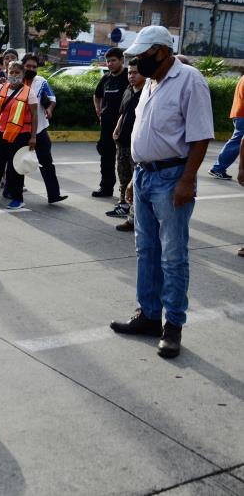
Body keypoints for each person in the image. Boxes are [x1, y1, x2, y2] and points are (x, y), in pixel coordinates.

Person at [109, 26, 214, 359]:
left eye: (143, 54)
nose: (138, 60)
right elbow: (145, 131)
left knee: (172, 256)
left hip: (172, 178)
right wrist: (133, 176)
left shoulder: (190, 80)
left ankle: (173, 327)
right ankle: (149, 316)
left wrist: (187, 180)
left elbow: (200, 137)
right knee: (146, 250)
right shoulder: (152, 82)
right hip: (144, 177)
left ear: (161, 51)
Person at [0, 61, 38, 210]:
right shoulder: (1, 87)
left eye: (17, 73)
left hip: (20, 135)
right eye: (11, 72)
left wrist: (33, 137)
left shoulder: (29, 92)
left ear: (22, 75)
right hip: (1, 133)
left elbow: (35, 116)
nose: (14, 75)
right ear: (7, 73)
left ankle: (17, 198)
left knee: (16, 167)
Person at [21, 53, 67, 204]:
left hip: (39, 129)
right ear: (22, 66)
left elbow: (52, 99)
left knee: (47, 163)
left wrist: (50, 109)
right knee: (17, 163)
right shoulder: (15, 81)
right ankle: (13, 193)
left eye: (34, 67)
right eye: (28, 66)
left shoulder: (41, 82)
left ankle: (54, 195)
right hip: (19, 130)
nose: (31, 69)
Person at [108, 58, 146, 231]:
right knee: (123, 178)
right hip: (122, 143)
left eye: (135, 72)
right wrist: (117, 129)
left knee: (136, 181)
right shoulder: (128, 90)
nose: (131, 76)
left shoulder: (147, 93)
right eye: (129, 72)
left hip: (137, 145)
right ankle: (123, 205)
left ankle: (134, 219)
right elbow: (123, 113)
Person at [92, 48, 128, 197]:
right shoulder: (106, 78)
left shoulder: (128, 76)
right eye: (108, 61)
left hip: (124, 126)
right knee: (106, 158)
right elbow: (97, 95)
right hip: (106, 126)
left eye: (113, 60)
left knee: (124, 160)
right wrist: (98, 111)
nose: (110, 64)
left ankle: (126, 193)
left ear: (121, 60)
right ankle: (106, 187)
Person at [208, 73, 244, 180]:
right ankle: (218, 168)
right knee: (237, 142)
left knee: (237, 142)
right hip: (242, 115)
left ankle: (218, 168)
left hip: (239, 113)